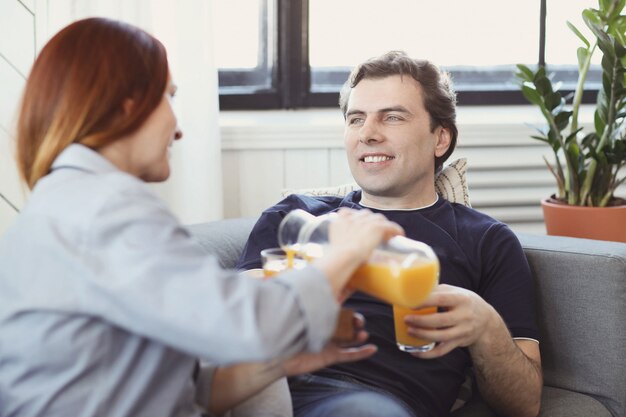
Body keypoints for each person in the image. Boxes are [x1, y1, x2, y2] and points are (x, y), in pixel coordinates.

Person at [0, 18, 405, 417]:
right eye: (168, 98)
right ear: (128, 104)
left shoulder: (67, 199)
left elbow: (180, 391)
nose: (177, 129)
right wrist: (344, 253)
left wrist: (278, 363)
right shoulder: (103, 205)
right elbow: (239, 325)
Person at [236, 51, 543, 417]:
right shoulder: (296, 216)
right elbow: (228, 319)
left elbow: (525, 404)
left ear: (440, 139)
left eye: (392, 117)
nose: (368, 134)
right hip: (260, 384)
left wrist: (487, 327)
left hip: (367, 400)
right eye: (356, 119)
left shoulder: (487, 240)